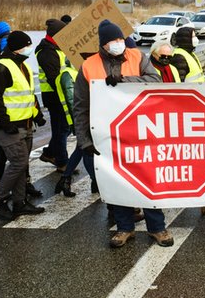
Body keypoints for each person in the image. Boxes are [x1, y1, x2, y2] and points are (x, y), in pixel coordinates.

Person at [74, 20, 172, 248]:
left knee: (148, 179)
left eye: (120, 39)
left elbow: (154, 81)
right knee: (116, 180)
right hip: (108, 135)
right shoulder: (89, 66)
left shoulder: (137, 57)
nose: (118, 44)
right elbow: (80, 106)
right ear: (103, 44)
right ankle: (124, 227)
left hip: (140, 130)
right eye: (112, 41)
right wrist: (84, 140)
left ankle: (157, 227)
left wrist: (125, 81)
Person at [0, 31, 48, 220]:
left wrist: (37, 115)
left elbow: (28, 95)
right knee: (19, 162)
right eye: (25, 46)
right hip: (9, 126)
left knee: (21, 164)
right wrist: (5, 124)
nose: (28, 49)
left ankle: (19, 203)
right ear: (15, 48)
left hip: (26, 123)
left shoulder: (23, 67)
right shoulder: (0, 68)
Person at [35, 18, 70, 171]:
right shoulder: (47, 52)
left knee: (64, 128)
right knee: (61, 129)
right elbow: (53, 78)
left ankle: (50, 153)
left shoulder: (57, 48)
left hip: (61, 94)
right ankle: (62, 162)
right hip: (54, 96)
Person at [53, 58, 89, 197]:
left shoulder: (76, 72)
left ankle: (65, 180)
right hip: (80, 119)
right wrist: (79, 121)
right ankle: (95, 182)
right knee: (85, 149)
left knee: (81, 149)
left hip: (83, 118)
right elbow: (72, 99)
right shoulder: (68, 74)